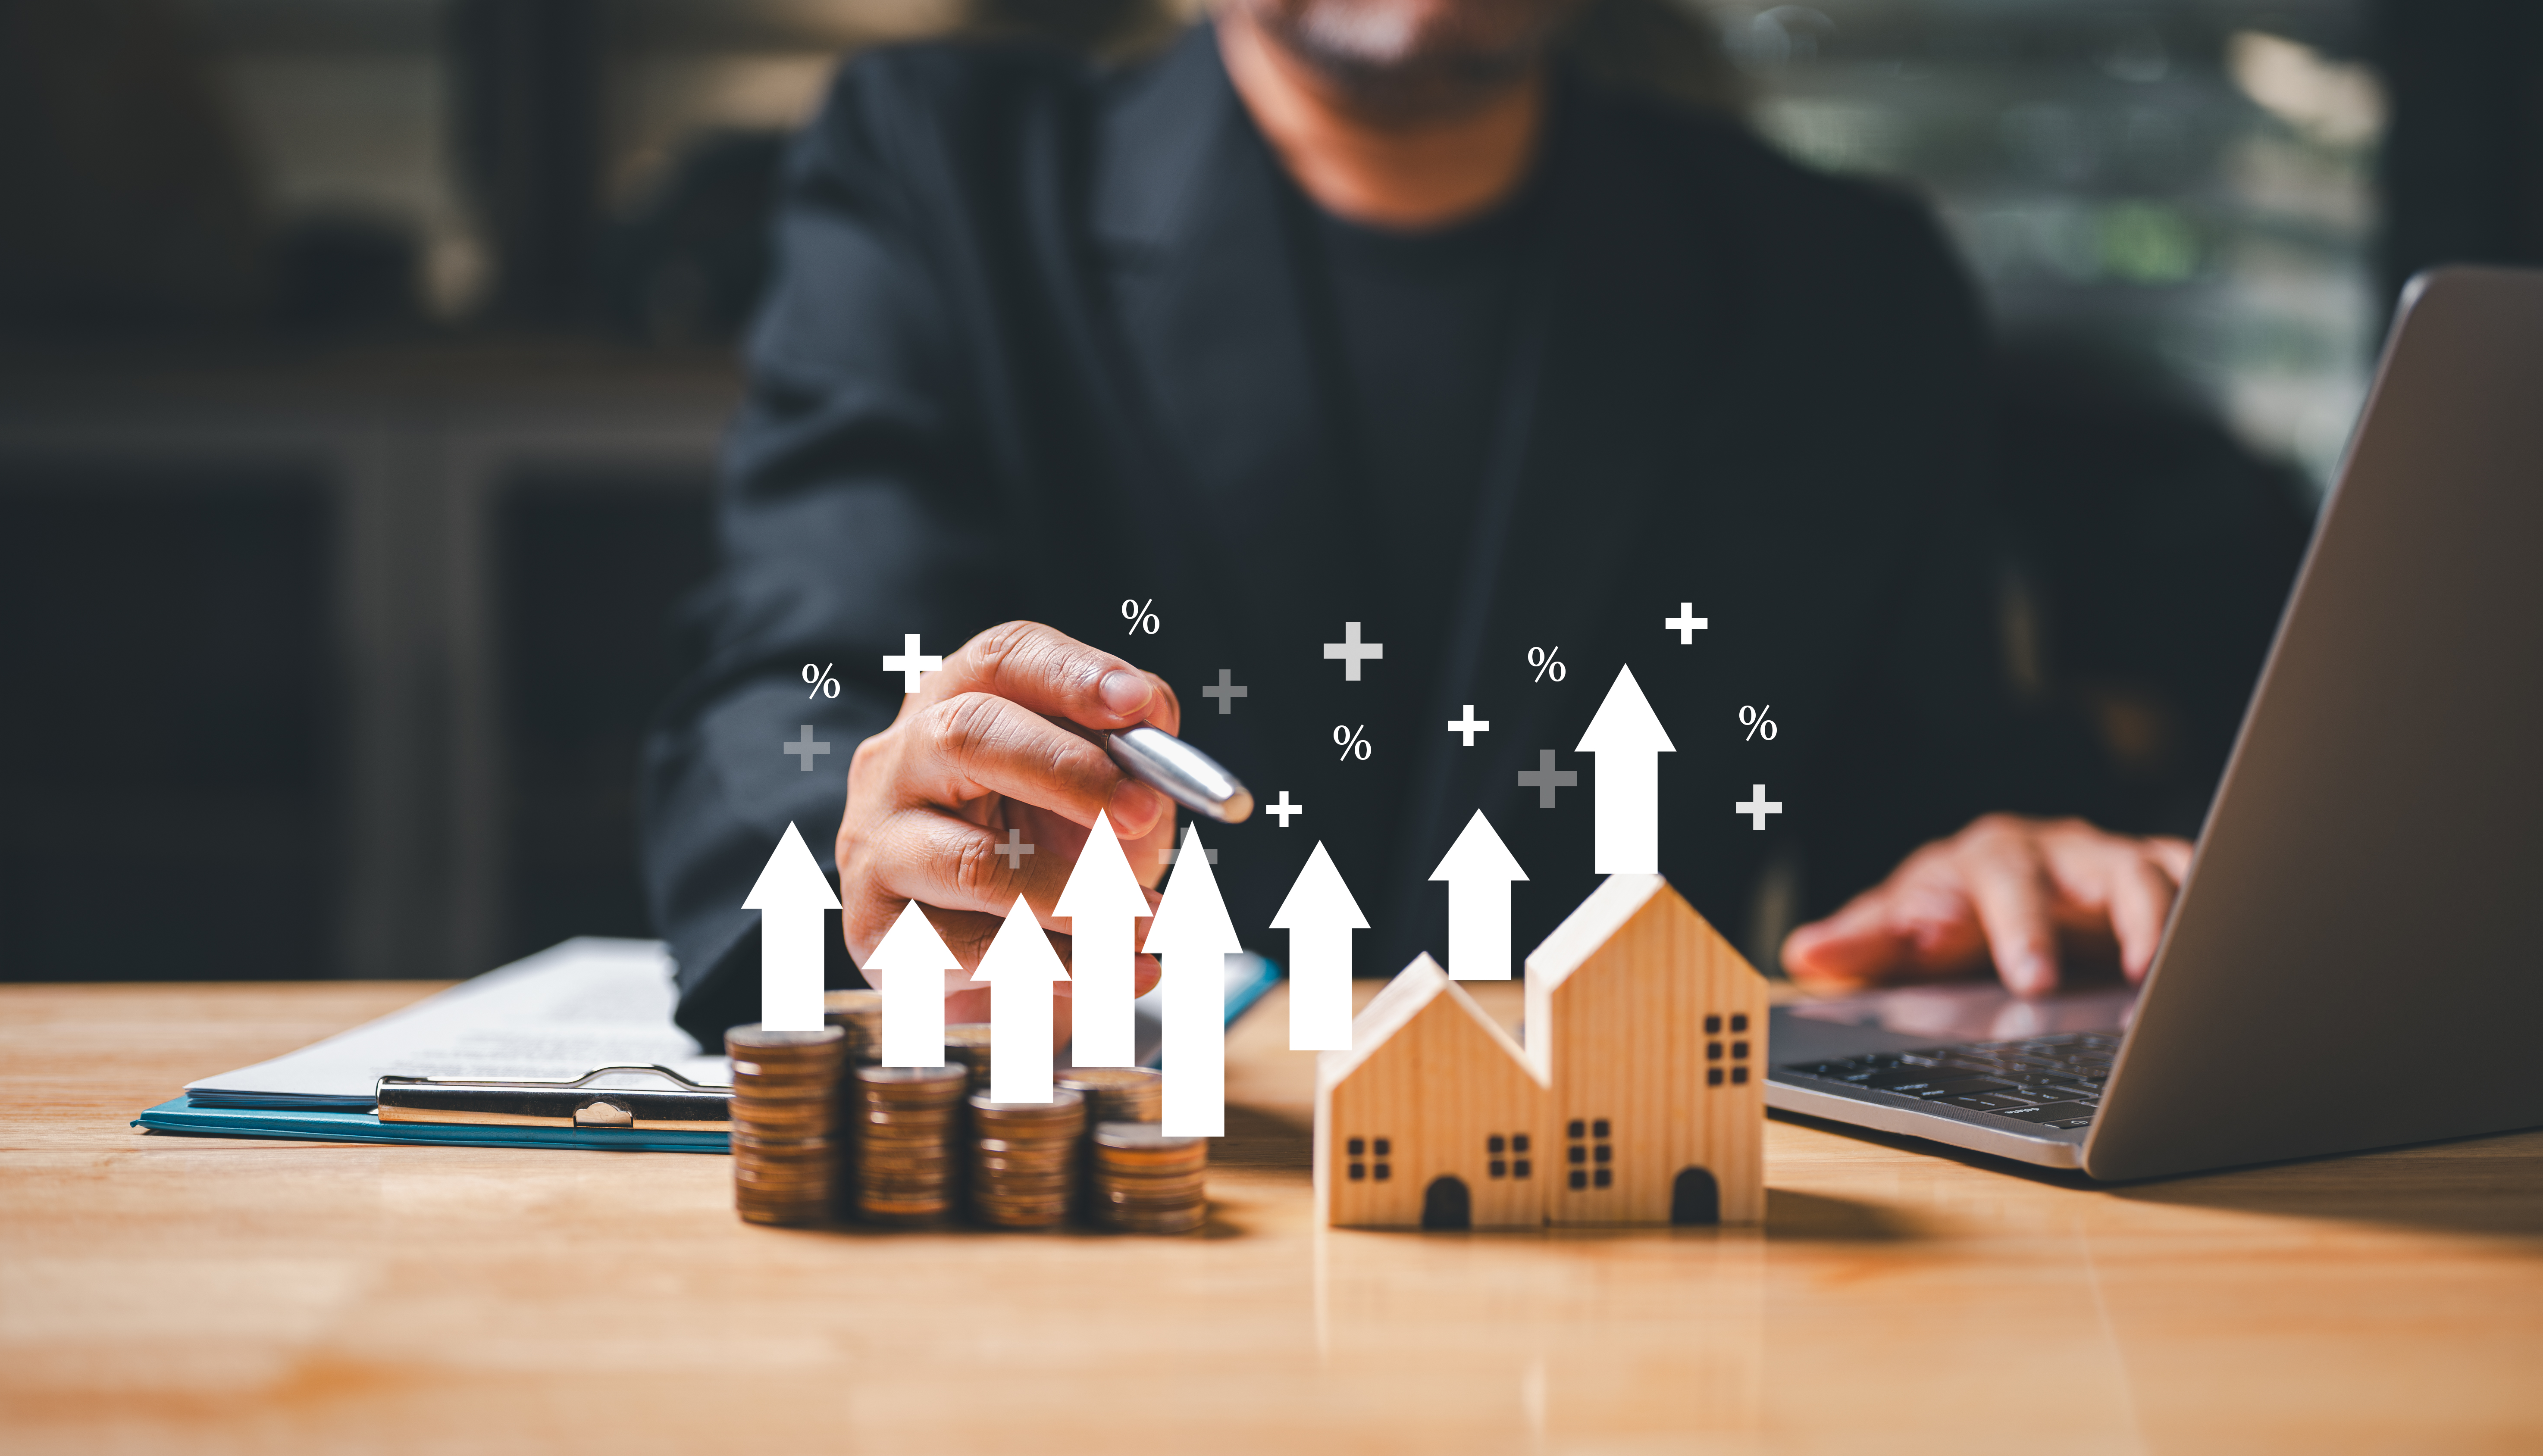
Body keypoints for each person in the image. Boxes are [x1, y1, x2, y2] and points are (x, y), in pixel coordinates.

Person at [640, 0, 2195, 1048]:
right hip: (1109, 1258)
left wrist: (2009, 870)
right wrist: (880, 843)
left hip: (1651, 1293)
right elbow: (802, 694)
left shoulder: (1842, 282)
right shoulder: (945, 177)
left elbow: (1929, 818)